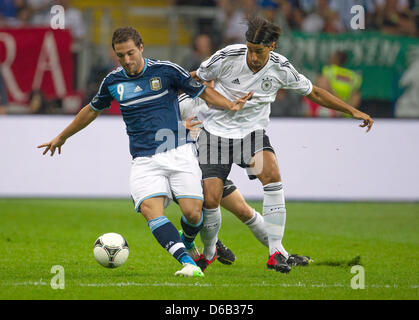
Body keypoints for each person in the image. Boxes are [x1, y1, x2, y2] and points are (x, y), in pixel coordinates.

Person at [37, 26, 252, 278]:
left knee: (193, 214)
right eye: (120, 56)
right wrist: (62, 136)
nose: (126, 61)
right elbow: (91, 110)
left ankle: (189, 240)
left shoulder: (167, 70)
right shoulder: (113, 81)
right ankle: (189, 264)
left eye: (130, 53)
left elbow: (203, 92)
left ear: (141, 48)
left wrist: (229, 104)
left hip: (179, 152)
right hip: (144, 160)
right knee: (152, 210)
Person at [190, 16, 374, 273]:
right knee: (210, 198)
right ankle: (209, 253)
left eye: (259, 51)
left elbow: (315, 92)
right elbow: (194, 79)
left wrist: (352, 110)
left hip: (250, 134)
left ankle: (275, 253)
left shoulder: (281, 68)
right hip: (214, 133)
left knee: (272, 174)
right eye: (250, 49)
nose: (252, 57)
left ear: (272, 47)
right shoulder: (227, 57)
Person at [177, 92, 311, 267]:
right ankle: (205, 248)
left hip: (213, 163)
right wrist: (180, 128)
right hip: (189, 169)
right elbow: (162, 128)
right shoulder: (184, 101)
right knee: (197, 213)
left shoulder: (228, 92)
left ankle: (282, 254)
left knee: (243, 211)